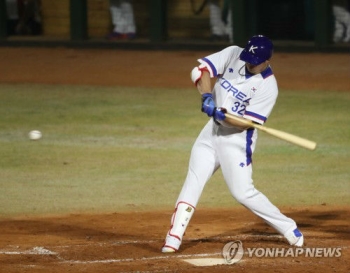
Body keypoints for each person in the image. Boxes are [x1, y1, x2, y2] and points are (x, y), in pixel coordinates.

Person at [161, 35, 304, 253]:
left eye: (254, 60)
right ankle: (173, 237)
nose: (248, 62)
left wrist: (222, 115)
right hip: (210, 133)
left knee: (242, 193)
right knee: (193, 181)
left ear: (267, 60)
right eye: (248, 57)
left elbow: (245, 124)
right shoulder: (234, 53)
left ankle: (289, 228)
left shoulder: (268, 86)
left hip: (236, 141)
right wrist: (207, 96)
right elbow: (202, 71)